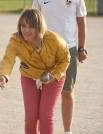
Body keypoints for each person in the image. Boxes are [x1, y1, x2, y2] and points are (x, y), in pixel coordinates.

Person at [0, 9, 70, 134]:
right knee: (31, 116)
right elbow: (8, 59)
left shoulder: (55, 40)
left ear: (39, 27)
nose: (26, 30)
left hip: (53, 76)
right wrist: (3, 75)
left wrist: (54, 75)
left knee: (45, 115)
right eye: (23, 25)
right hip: (29, 76)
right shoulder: (16, 40)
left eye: (31, 27)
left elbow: (65, 60)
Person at [32, 0, 88, 134]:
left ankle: (67, 131)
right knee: (42, 93)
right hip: (44, 50)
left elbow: (81, 23)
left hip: (69, 50)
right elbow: (34, 22)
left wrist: (81, 49)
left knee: (67, 91)